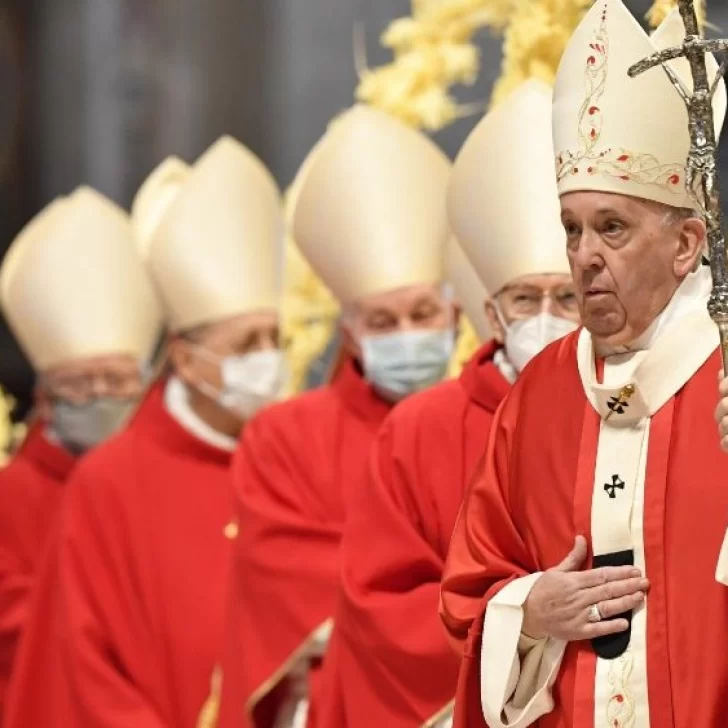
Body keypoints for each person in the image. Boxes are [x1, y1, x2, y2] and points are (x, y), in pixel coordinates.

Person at [439, 3, 728, 726]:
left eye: (612, 229)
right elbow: (474, 581)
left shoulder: (723, 377)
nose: (584, 257)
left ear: (687, 244)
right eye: (572, 229)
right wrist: (528, 611)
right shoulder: (539, 395)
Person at [314, 80, 579, 728]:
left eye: (566, 298)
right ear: (490, 313)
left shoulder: (633, 408)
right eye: (524, 299)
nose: (546, 317)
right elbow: (378, 606)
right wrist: (521, 622)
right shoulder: (420, 429)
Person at [4, 137, 287, 728]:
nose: (267, 360)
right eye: (245, 344)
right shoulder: (109, 482)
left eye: (273, 340)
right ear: (183, 361)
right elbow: (81, 671)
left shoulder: (293, 458)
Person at [216, 104, 455, 728]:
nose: (407, 335)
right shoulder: (284, 436)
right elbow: (289, 579)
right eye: (383, 322)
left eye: (422, 314)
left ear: (455, 313)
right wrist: (478, 608)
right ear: (349, 332)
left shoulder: (504, 419)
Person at [0, 188, 161, 720]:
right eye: (78, 384)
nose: (98, 396)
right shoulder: (11, 496)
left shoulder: (150, 481)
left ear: (143, 386)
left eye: (114, 380)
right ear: (43, 397)